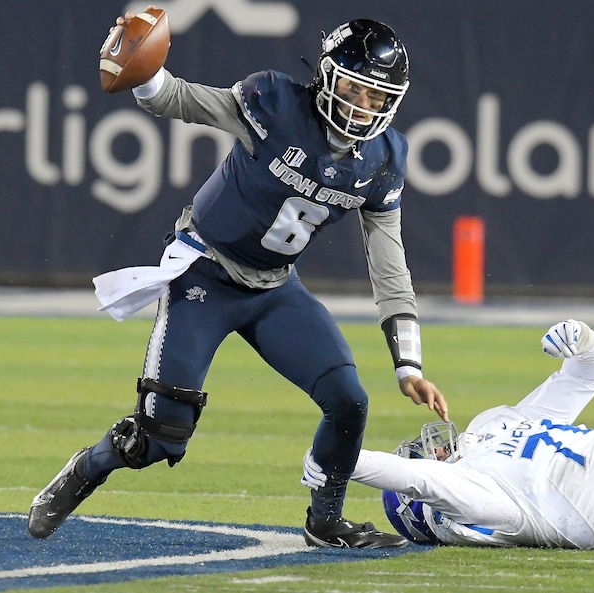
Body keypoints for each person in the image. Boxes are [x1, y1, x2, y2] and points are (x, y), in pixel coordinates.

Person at [27, 11, 449, 549]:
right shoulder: (275, 103)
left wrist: (408, 363)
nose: (363, 108)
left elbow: (390, 263)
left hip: (274, 288)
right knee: (162, 438)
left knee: (349, 400)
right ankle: (90, 465)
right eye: (355, 89)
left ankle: (325, 521)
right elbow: (174, 98)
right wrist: (143, 69)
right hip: (203, 272)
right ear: (327, 76)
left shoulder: (385, 159)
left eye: (377, 98)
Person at [302, 319, 594, 550]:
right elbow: (417, 479)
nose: (428, 449)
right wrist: (334, 456)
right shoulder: (481, 504)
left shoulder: (498, 431)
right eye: (417, 453)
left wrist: (581, 337)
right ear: (421, 513)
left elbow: (587, 371)